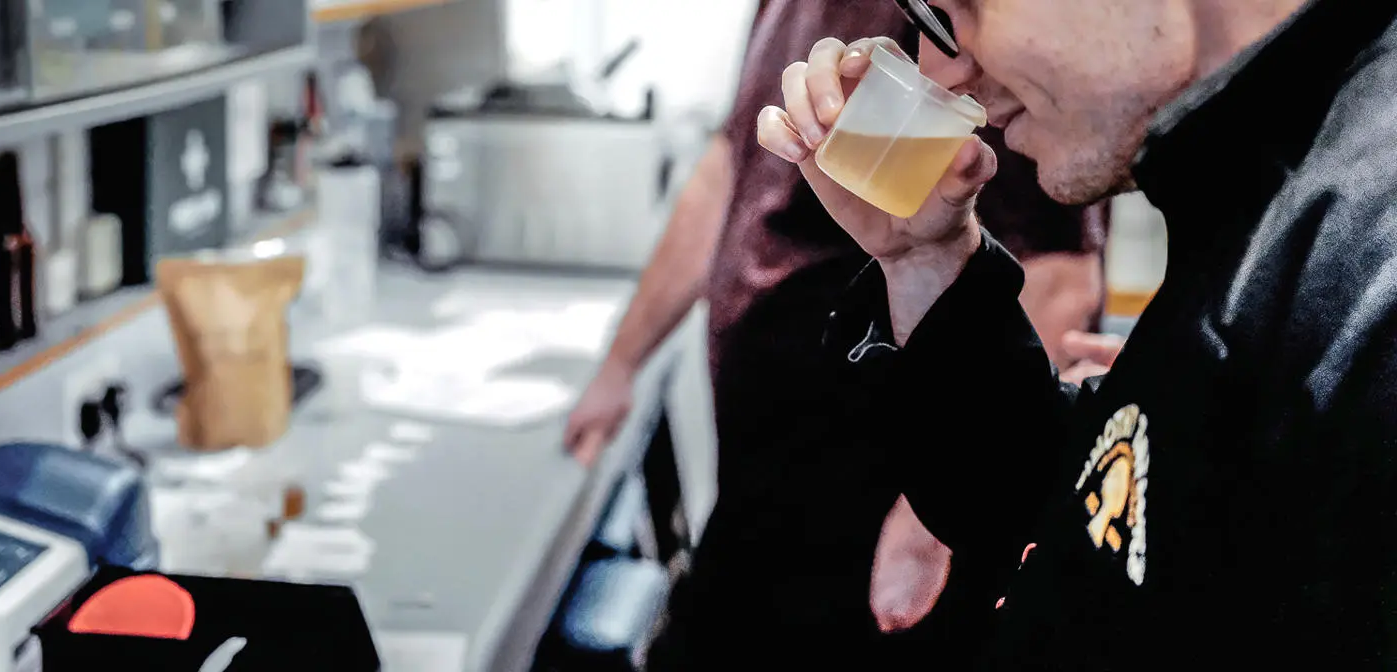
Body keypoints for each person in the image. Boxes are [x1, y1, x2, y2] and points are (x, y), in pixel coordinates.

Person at [755, 0, 1397, 666]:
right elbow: (1082, 527)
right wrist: (924, 260)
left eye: (959, 11)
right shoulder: (1262, 183)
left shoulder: (1369, 265)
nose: (943, 73)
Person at [559, 0, 1107, 666]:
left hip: (888, 486)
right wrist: (621, 365)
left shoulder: (959, 23)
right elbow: (726, 172)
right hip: (767, 472)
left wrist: (928, 522)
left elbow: (1060, 275)